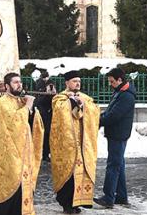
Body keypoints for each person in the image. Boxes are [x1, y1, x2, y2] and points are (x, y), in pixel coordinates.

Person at [0, 73, 44, 215]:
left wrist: (32, 110)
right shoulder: (2, 103)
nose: (19, 85)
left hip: (24, 155)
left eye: (20, 82)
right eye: (15, 82)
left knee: (21, 194)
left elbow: (33, 123)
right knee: (7, 195)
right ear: (6, 86)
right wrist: (28, 106)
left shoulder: (20, 101)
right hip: (8, 158)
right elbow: (14, 123)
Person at [50, 70, 99, 214]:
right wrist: (71, 101)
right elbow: (59, 111)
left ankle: (78, 202)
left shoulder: (85, 98)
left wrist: (84, 105)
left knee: (81, 175)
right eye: (74, 81)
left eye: (79, 81)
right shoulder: (59, 98)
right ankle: (67, 204)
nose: (77, 83)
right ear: (67, 83)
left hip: (82, 145)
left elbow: (95, 111)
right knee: (69, 176)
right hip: (67, 146)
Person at [94, 68, 136, 209]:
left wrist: (97, 121)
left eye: (112, 81)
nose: (110, 84)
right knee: (119, 165)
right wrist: (100, 117)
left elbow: (114, 116)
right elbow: (110, 111)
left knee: (113, 165)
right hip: (116, 133)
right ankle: (121, 197)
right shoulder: (120, 91)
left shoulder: (126, 96)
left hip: (118, 134)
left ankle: (108, 197)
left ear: (119, 80)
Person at [32, 70, 56, 160]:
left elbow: (53, 97)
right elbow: (39, 99)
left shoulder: (51, 83)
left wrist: (52, 93)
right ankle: (41, 153)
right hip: (41, 112)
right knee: (41, 133)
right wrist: (46, 94)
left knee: (47, 134)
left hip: (48, 112)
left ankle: (46, 153)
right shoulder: (39, 83)